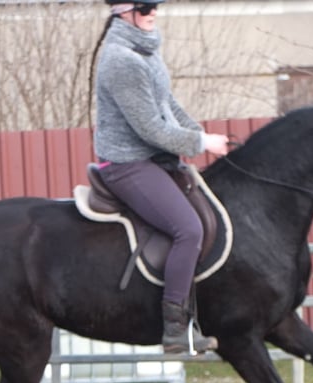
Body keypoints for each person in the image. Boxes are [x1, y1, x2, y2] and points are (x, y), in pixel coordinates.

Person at [90, 0, 229, 354]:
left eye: (157, 5)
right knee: (189, 229)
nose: (154, 11)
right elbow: (151, 128)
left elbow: (168, 105)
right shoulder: (121, 61)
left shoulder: (146, 52)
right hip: (128, 164)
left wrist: (198, 132)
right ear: (123, 11)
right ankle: (175, 329)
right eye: (146, 6)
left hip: (154, 159)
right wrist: (201, 142)